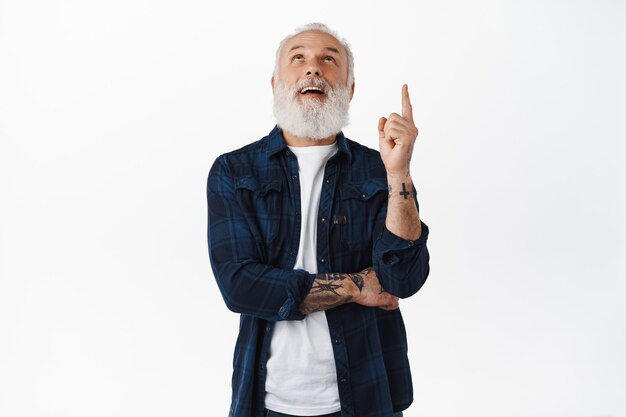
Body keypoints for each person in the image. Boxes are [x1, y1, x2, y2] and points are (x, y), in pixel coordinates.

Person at [207, 23, 430, 417]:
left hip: (368, 395)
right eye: (299, 58)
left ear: (350, 87)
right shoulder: (235, 171)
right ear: (276, 82)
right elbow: (239, 286)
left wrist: (399, 174)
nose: (313, 69)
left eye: (329, 59)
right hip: (267, 400)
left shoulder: (379, 171)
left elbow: (402, 280)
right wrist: (355, 285)